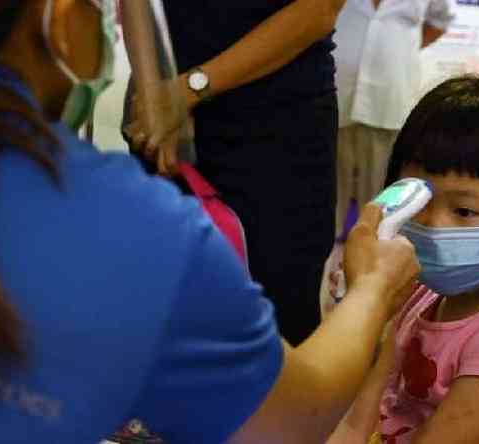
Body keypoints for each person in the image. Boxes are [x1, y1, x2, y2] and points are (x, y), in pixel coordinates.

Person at [0, 1, 422, 443]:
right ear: (60, 22)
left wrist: (180, 91)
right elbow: (292, 418)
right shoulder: (131, 227)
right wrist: (372, 287)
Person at [325, 76, 479, 443]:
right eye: (419, 201)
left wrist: (373, 308)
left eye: (464, 210)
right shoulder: (423, 294)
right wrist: (365, 307)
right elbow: (349, 404)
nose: (431, 223)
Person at [121, 0, 346, 346]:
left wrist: (187, 91)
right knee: (164, 310)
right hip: (164, 116)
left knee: (277, 314)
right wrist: (154, 97)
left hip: (277, 128)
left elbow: (318, 9)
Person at [332, 0, 453, 237]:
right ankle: (324, 257)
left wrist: (397, 50)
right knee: (326, 187)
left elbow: (439, 21)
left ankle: (370, 254)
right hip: (337, 91)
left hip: (387, 97)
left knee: (381, 192)